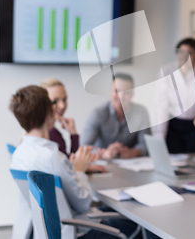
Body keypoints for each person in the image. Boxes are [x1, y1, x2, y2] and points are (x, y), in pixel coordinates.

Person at [9, 85, 142, 239]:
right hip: (79, 231)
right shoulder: (53, 157)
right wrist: (78, 170)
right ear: (49, 115)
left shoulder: (19, 153)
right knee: (136, 226)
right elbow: (84, 203)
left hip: (50, 230)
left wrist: (72, 167)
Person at [153, 38, 195, 153]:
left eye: (190, 53)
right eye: (181, 52)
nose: (184, 56)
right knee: (174, 159)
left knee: (194, 159)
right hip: (173, 124)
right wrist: (159, 138)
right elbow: (161, 107)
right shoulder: (166, 71)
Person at [41, 78, 106, 173]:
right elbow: (68, 170)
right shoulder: (51, 134)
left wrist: (73, 133)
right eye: (54, 101)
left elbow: (69, 162)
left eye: (64, 99)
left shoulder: (51, 131)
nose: (62, 105)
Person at [81, 73, 151, 159]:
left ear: (132, 94)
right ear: (110, 91)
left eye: (126, 92)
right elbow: (84, 146)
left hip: (132, 165)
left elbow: (147, 145)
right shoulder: (98, 114)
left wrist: (132, 152)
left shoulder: (141, 112)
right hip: (104, 163)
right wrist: (105, 153)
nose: (121, 96)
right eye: (117, 91)